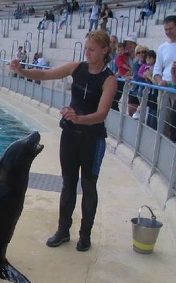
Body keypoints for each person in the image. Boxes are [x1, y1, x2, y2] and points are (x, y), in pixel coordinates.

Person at [10, 30, 117, 251]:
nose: (87, 52)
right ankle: (63, 231)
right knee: (68, 183)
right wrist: (20, 70)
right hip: (70, 137)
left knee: (88, 185)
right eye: (86, 48)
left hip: (92, 140)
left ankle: (85, 235)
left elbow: (102, 113)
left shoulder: (109, 80)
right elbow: (44, 75)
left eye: (92, 49)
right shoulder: (76, 68)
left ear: (104, 50)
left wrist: (79, 118)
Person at [153, 15, 176, 141]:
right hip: (165, 88)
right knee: (164, 121)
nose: (168, 32)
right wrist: (160, 81)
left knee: (175, 124)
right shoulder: (162, 48)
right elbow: (157, 70)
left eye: (171, 29)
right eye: (166, 29)